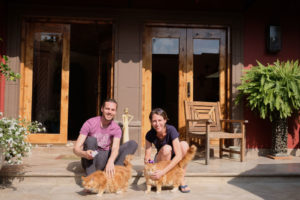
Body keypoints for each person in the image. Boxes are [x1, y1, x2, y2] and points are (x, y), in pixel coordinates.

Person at [73, 99, 138, 177]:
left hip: (105, 157)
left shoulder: (116, 128)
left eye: (113, 110)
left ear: (115, 112)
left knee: (132, 144)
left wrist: (110, 162)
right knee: (91, 140)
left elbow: (115, 148)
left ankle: (113, 173)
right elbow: (76, 149)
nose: (110, 112)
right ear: (102, 109)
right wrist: (84, 154)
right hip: (91, 159)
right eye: (107, 109)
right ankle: (91, 178)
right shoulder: (90, 123)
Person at [144, 108, 191, 193]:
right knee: (167, 149)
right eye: (154, 121)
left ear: (165, 120)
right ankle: (162, 179)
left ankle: (181, 178)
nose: (157, 124)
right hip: (162, 158)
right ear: (151, 122)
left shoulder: (171, 130)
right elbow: (147, 156)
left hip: (173, 158)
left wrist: (162, 172)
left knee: (184, 145)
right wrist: (148, 161)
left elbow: (179, 155)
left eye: (160, 120)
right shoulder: (149, 134)